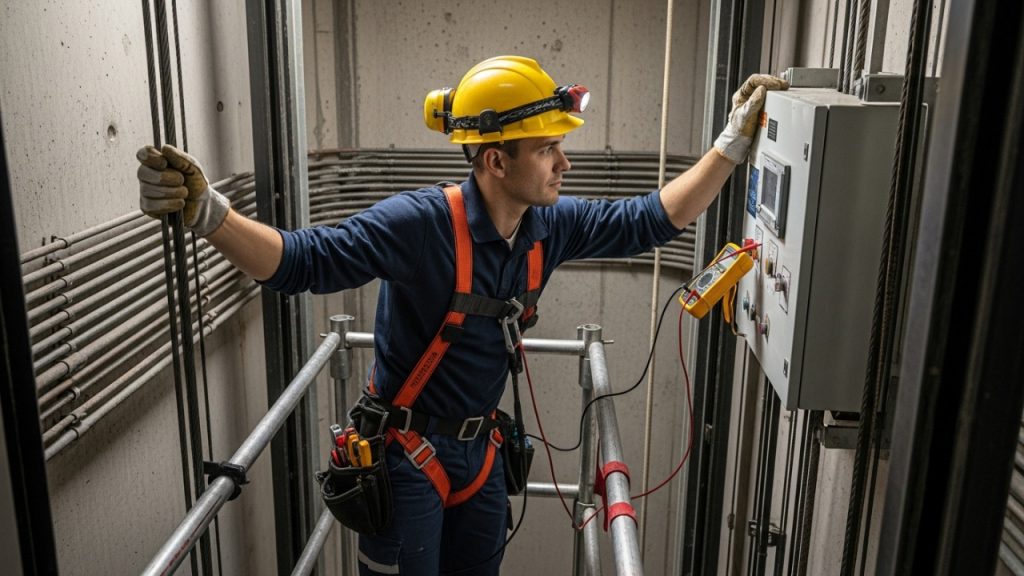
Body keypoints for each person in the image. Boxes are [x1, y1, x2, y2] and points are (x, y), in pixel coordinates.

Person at [136, 55, 787, 575]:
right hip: (403, 457)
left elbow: (650, 219)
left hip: (480, 456)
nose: (565, 162)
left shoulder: (547, 228)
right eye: (547, 150)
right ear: (495, 161)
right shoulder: (419, 225)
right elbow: (305, 261)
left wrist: (731, 145)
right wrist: (208, 215)